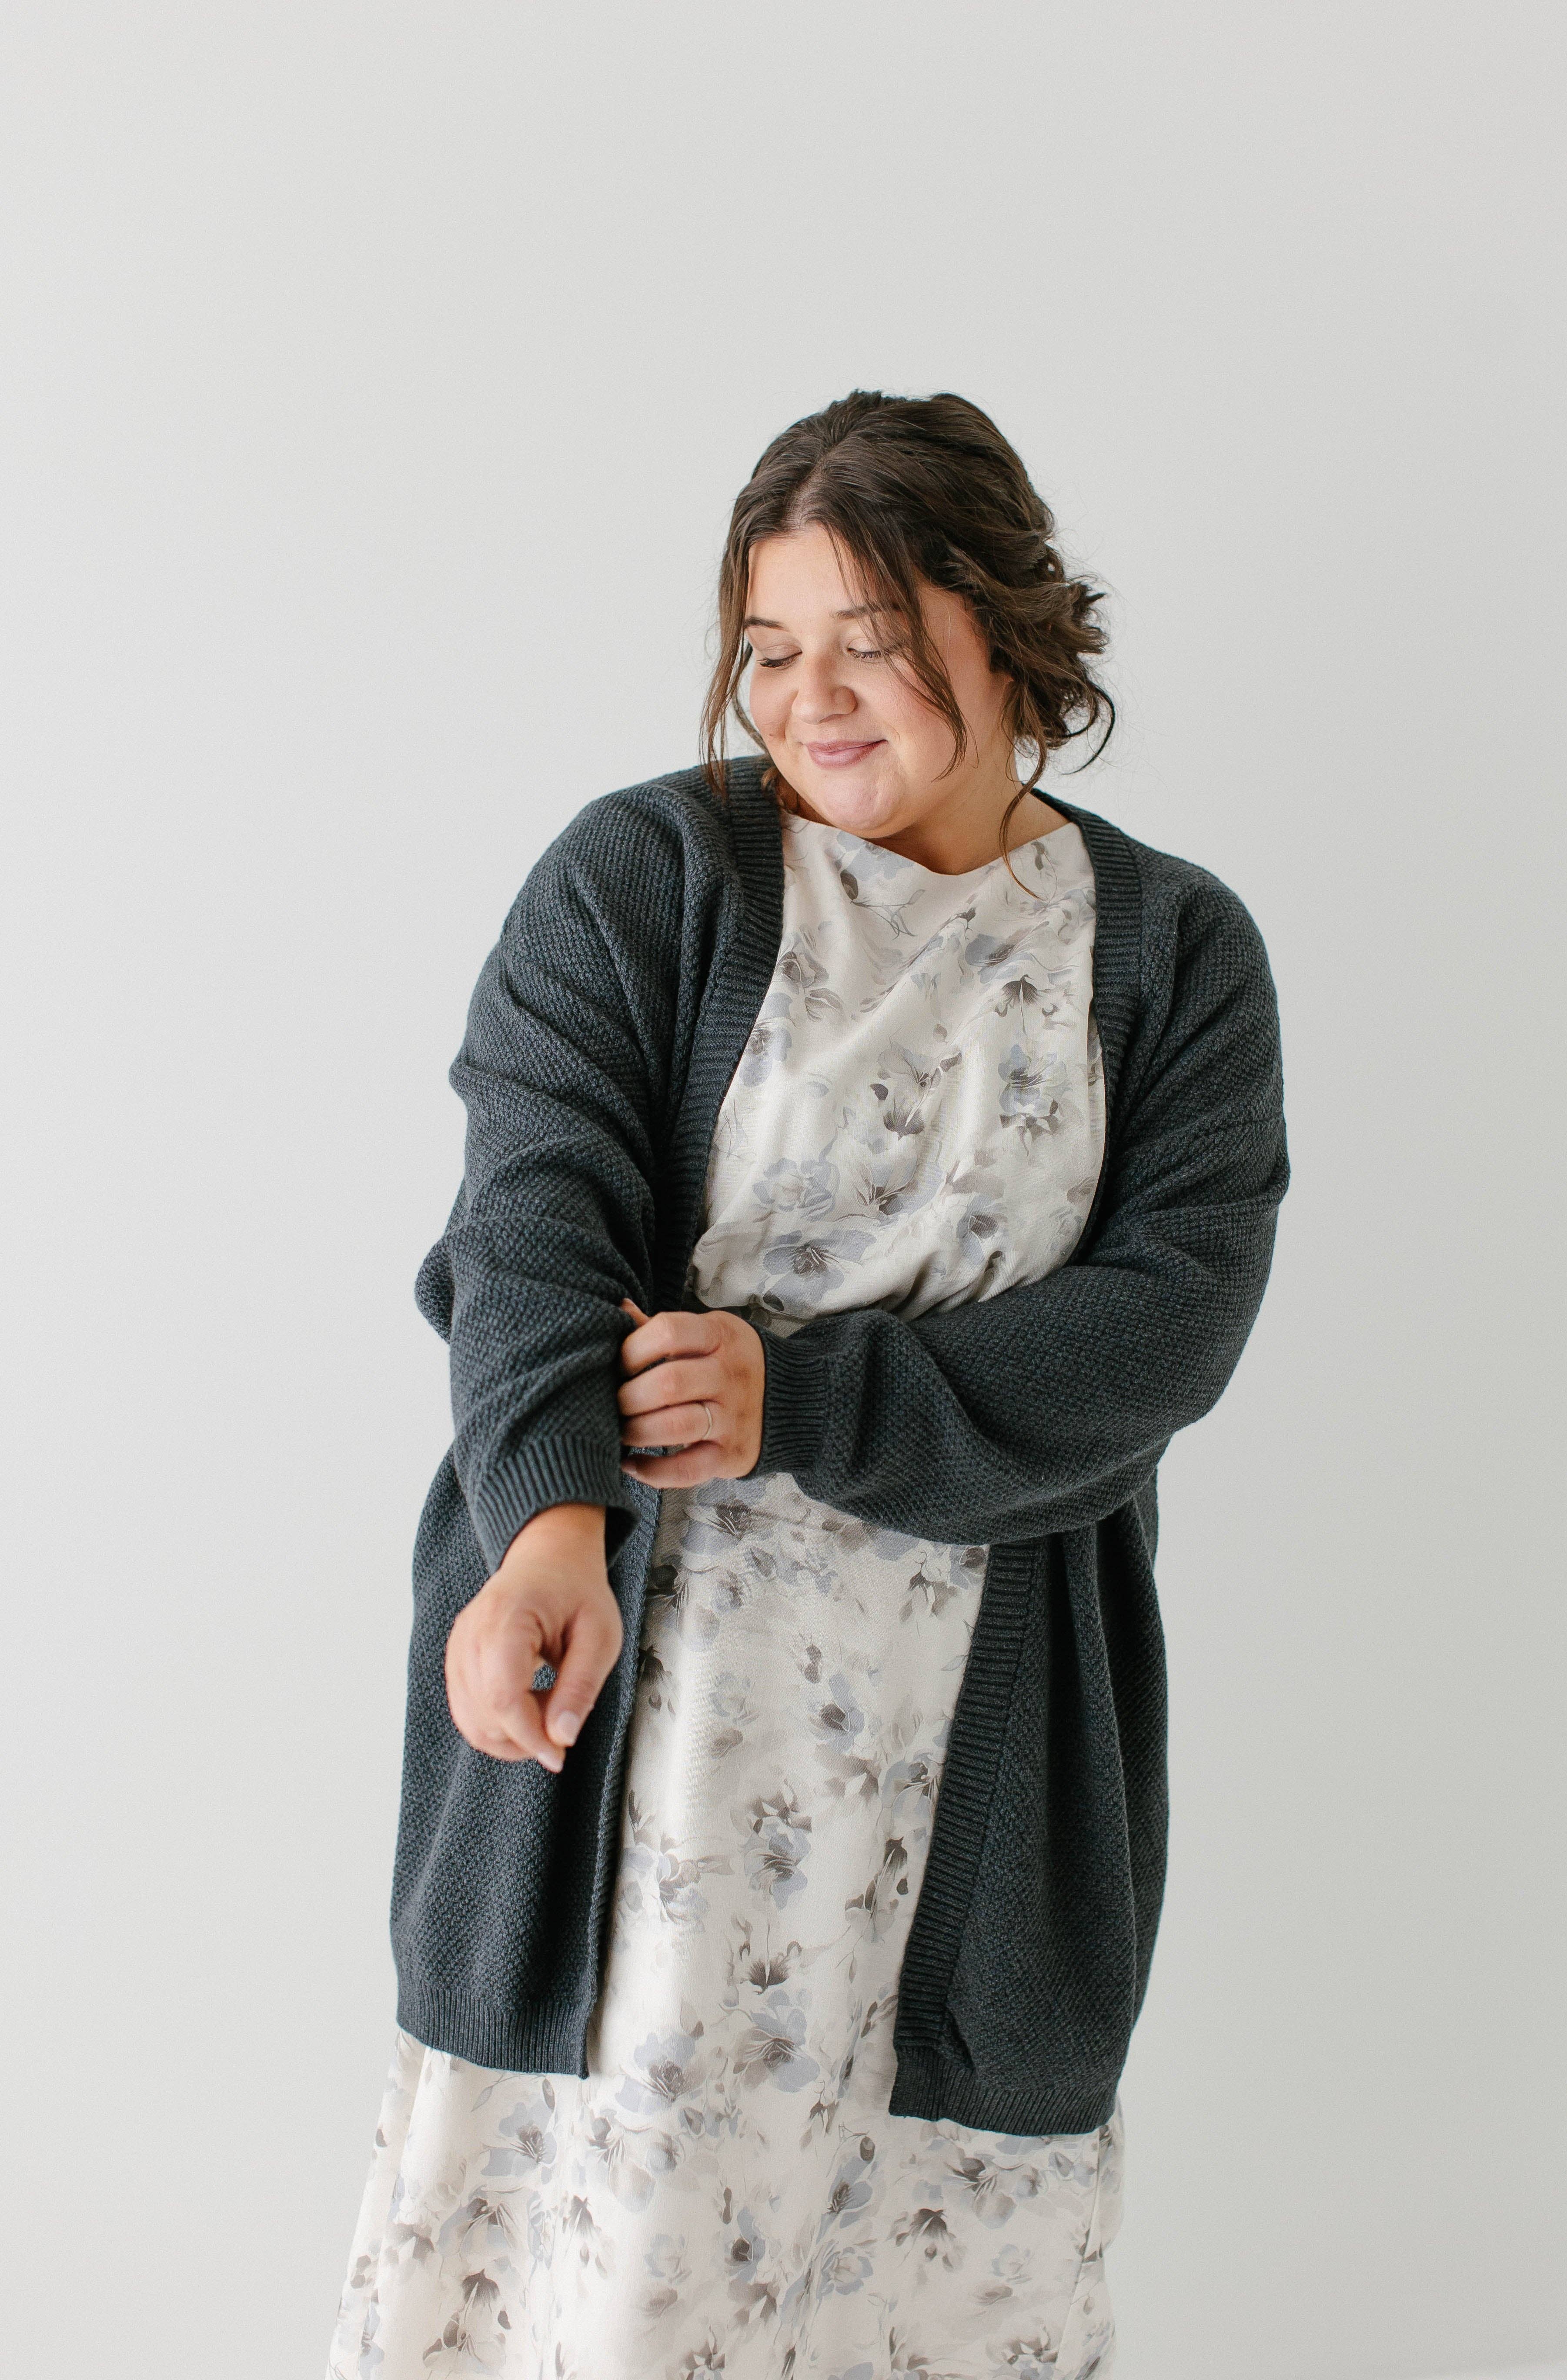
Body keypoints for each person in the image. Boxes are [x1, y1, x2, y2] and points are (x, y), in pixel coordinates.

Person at [328, 389, 1289, 2380]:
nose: (810, 699)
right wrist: (547, 1536)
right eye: (769, 649)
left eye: (871, 639)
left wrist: (804, 1402)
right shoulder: (645, 877)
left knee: (922, 2295)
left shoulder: (1172, 955)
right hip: (649, 1740)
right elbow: (532, 1218)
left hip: (973, 1789)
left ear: (1007, 635)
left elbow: (1171, 1322)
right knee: (602, 2284)